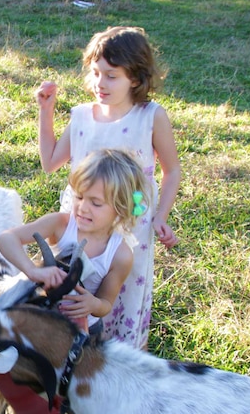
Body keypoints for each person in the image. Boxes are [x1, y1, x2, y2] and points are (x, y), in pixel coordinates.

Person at [0, 148, 150, 414]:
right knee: (26, 385)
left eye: (95, 202)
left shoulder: (120, 254)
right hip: (40, 326)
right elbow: (6, 240)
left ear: (120, 208)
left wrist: (93, 304)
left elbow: (107, 301)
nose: (82, 208)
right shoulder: (61, 225)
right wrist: (33, 271)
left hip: (83, 333)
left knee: (85, 394)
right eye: (78, 196)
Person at [35, 26, 182, 350]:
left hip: (133, 223)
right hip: (83, 218)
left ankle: (122, 357)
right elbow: (50, 162)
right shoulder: (83, 116)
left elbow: (172, 171)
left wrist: (160, 216)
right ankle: (67, 348)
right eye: (96, 73)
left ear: (135, 77)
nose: (100, 83)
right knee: (73, 285)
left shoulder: (151, 117)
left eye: (112, 76)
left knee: (123, 288)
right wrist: (46, 112)